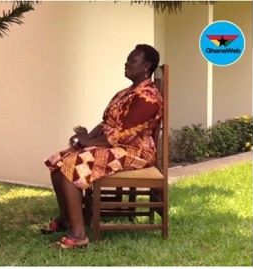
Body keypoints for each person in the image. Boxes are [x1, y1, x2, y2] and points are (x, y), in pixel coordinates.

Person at [42, 44, 163, 249]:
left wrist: (88, 143)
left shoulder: (148, 98)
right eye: (128, 59)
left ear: (146, 66)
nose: (126, 63)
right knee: (57, 161)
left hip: (136, 151)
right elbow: (106, 123)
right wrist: (86, 137)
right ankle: (65, 219)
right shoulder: (125, 92)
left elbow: (123, 135)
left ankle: (79, 235)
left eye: (132, 60)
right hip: (117, 146)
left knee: (72, 165)